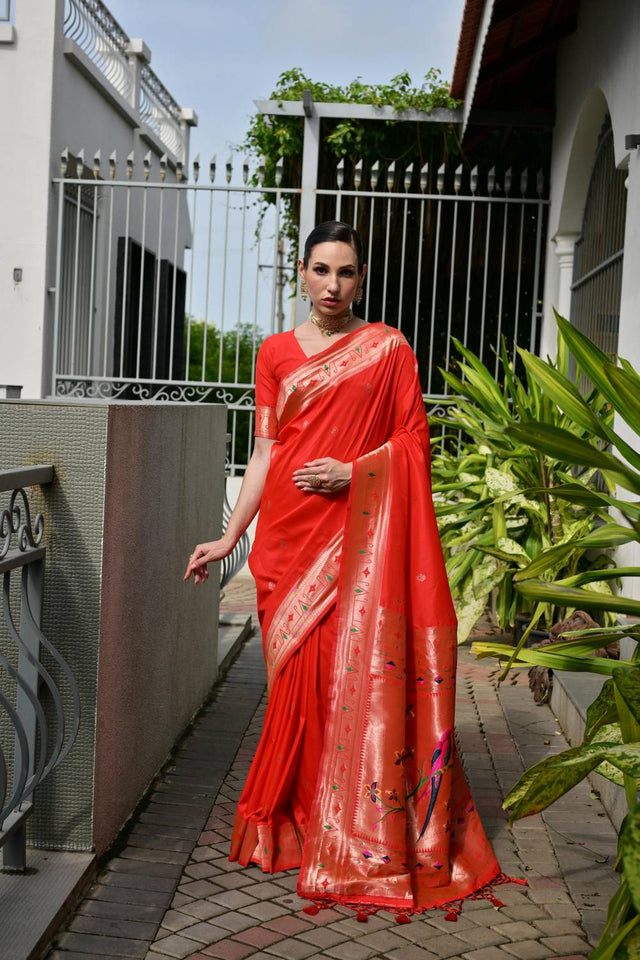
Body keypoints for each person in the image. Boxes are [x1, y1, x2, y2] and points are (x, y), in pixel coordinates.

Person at [184, 221, 518, 922]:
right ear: (301, 273)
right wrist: (229, 536)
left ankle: (348, 829)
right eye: (322, 270)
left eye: (346, 272)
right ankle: (294, 822)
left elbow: (413, 442)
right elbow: (267, 453)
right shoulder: (274, 353)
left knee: (347, 686)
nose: (333, 285)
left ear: (361, 279)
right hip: (285, 543)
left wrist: (355, 472)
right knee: (294, 690)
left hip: (356, 540)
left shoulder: (389, 349)